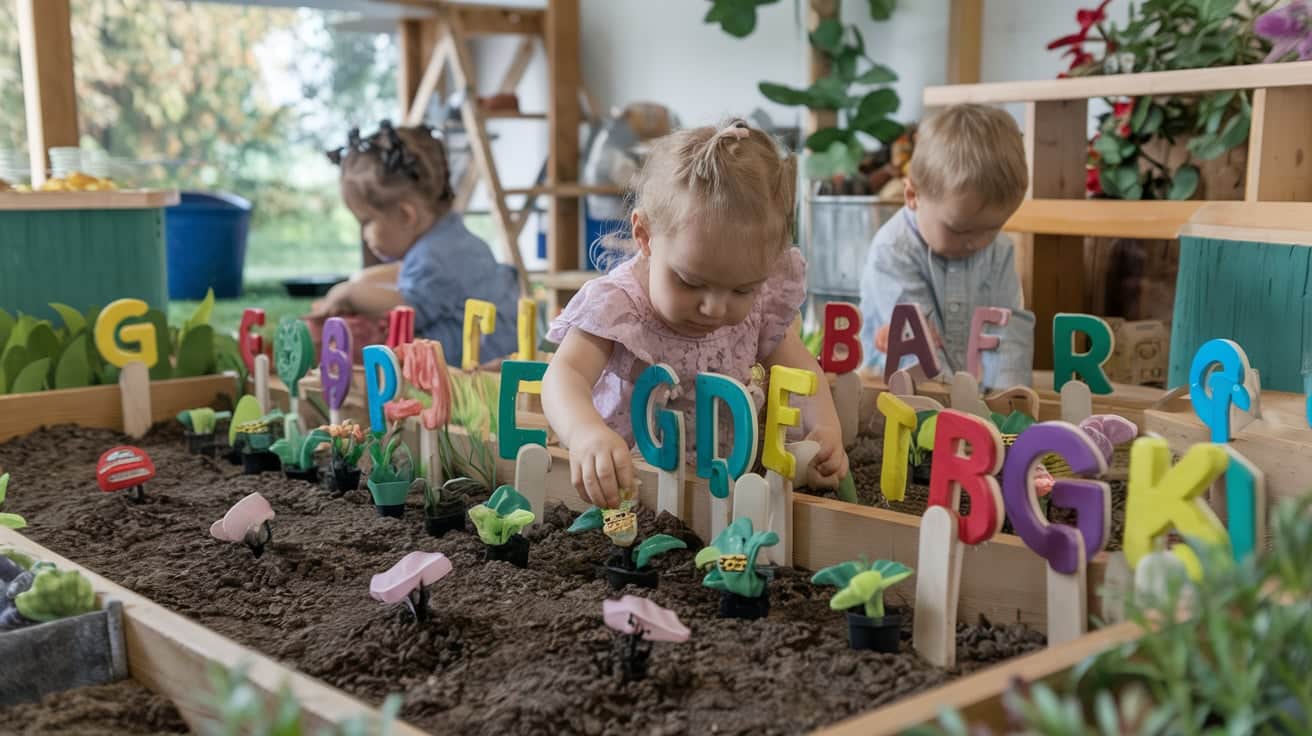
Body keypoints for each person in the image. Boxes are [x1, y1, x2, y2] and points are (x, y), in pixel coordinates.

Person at [541, 118, 849, 509]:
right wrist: (585, 433)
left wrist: (823, 425)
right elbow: (563, 375)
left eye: (742, 289)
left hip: (726, 492)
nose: (715, 308)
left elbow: (801, 370)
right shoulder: (619, 306)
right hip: (633, 491)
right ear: (645, 236)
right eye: (690, 282)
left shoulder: (759, 305)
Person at [311, 121, 518, 367]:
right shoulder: (451, 240)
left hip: (478, 371)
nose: (365, 235)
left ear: (406, 215)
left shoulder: (432, 256)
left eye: (367, 222)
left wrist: (350, 292)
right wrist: (361, 279)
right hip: (504, 351)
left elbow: (408, 309)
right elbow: (406, 272)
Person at [859, 104, 1035, 388]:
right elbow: (915, 345)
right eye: (959, 229)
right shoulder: (893, 249)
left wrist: (1008, 396)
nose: (976, 243)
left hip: (970, 396)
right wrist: (950, 397)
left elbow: (1006, 330)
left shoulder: (999, 249)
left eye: (992, 229)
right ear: (913, 195)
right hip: (899, 395)